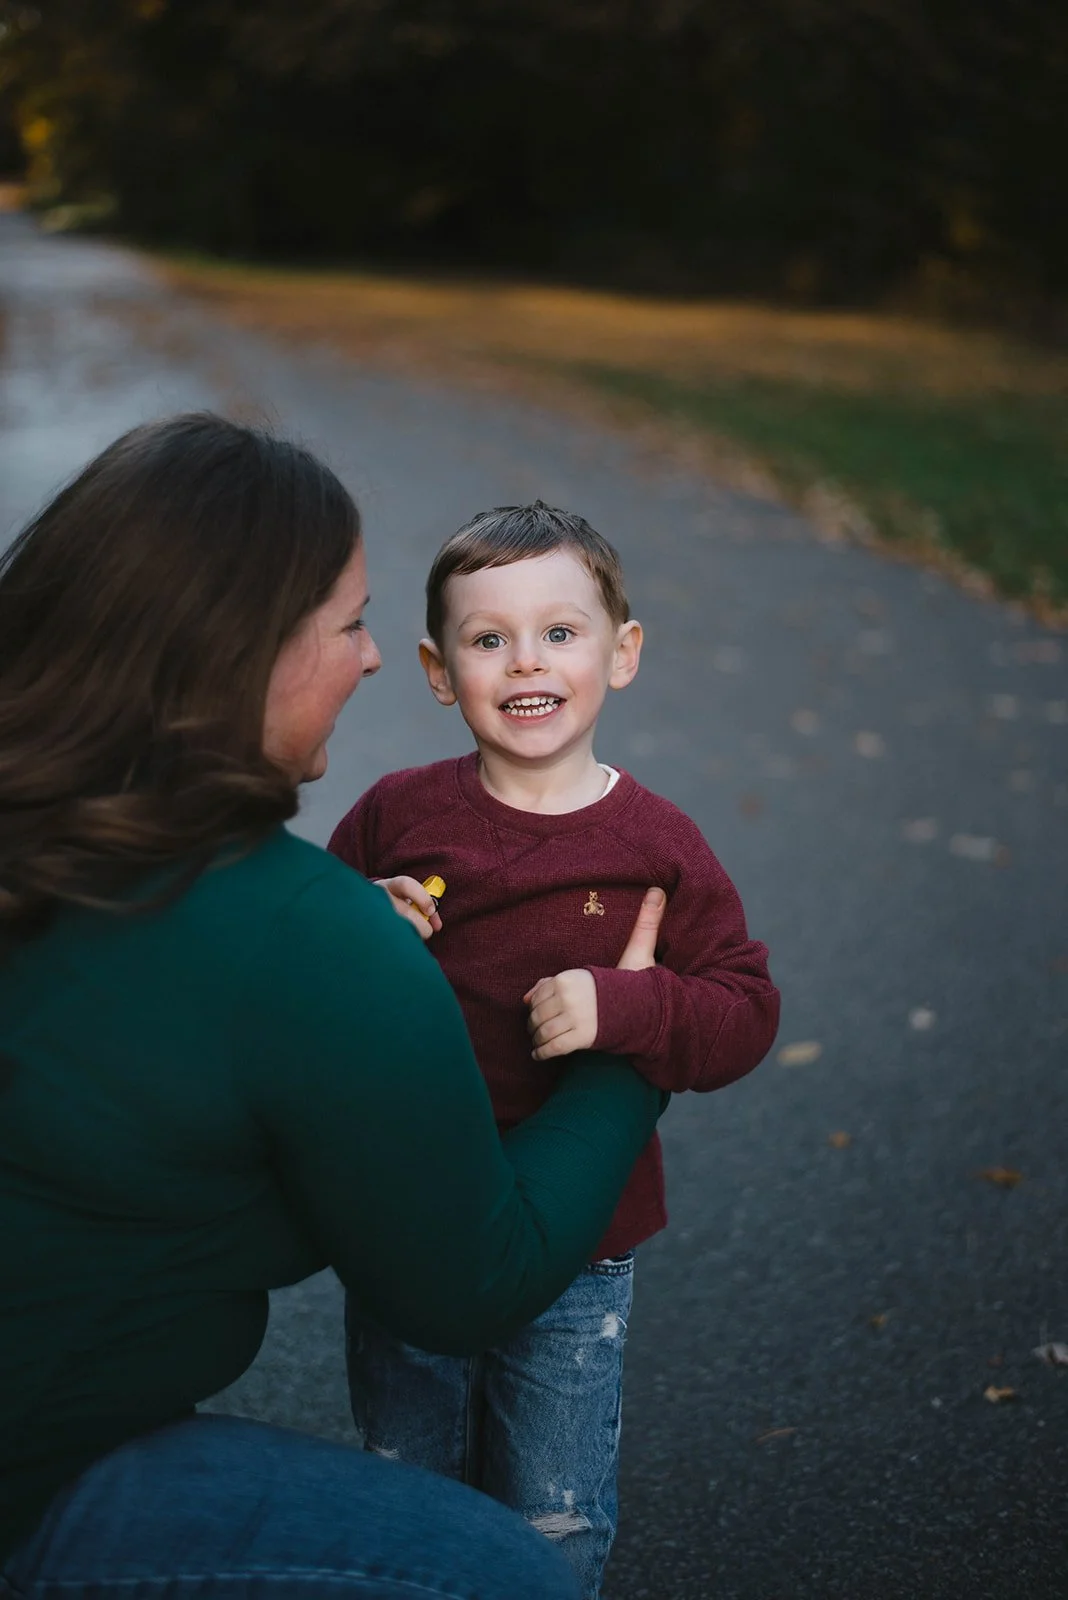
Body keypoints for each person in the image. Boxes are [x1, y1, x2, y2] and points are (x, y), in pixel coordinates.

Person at [0, 417, 674, 1600]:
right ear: (241, 651)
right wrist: (636, 1035)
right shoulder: (297, 930)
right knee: (511, 1579)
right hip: (35, 1480)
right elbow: (465, 1284)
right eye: (351, 622)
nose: (370, 659)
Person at [328, 501, 781, 1598]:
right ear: (441, 671)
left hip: (582, 1243)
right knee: (408, 1479)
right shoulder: (399, 814)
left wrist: (629, 1007)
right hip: (414, 1215)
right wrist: (360, 919)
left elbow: (743, 1008)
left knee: (550, 1509)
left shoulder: (659, 846)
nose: (526, 661)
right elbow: (302, 940)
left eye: (560, 632)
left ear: (622, 653)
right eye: (489, 639)